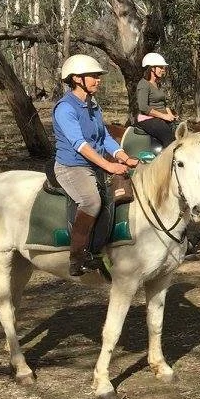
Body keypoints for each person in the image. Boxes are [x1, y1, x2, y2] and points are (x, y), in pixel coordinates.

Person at [53, 54, 140, 276]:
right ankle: (77, 258)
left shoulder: (92, 105)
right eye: (93, 76)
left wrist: (123, 156)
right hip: (72, 167)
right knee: (91, 201)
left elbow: (103, 139)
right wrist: (109, 166)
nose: (98, 80)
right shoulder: (65, 108)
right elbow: (79, 144)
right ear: (76, 79)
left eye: (98, 76)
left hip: (93, 165)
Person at [136, 52, 178, 148]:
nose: (163, 70)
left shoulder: (158, 84)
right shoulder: (143, 84)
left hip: (161, 118)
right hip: (148, 119)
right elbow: (143, 107)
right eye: (160, 67)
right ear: (152, 68)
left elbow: (165, 103)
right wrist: (164, 116)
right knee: (169, 139)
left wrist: (170, 115)